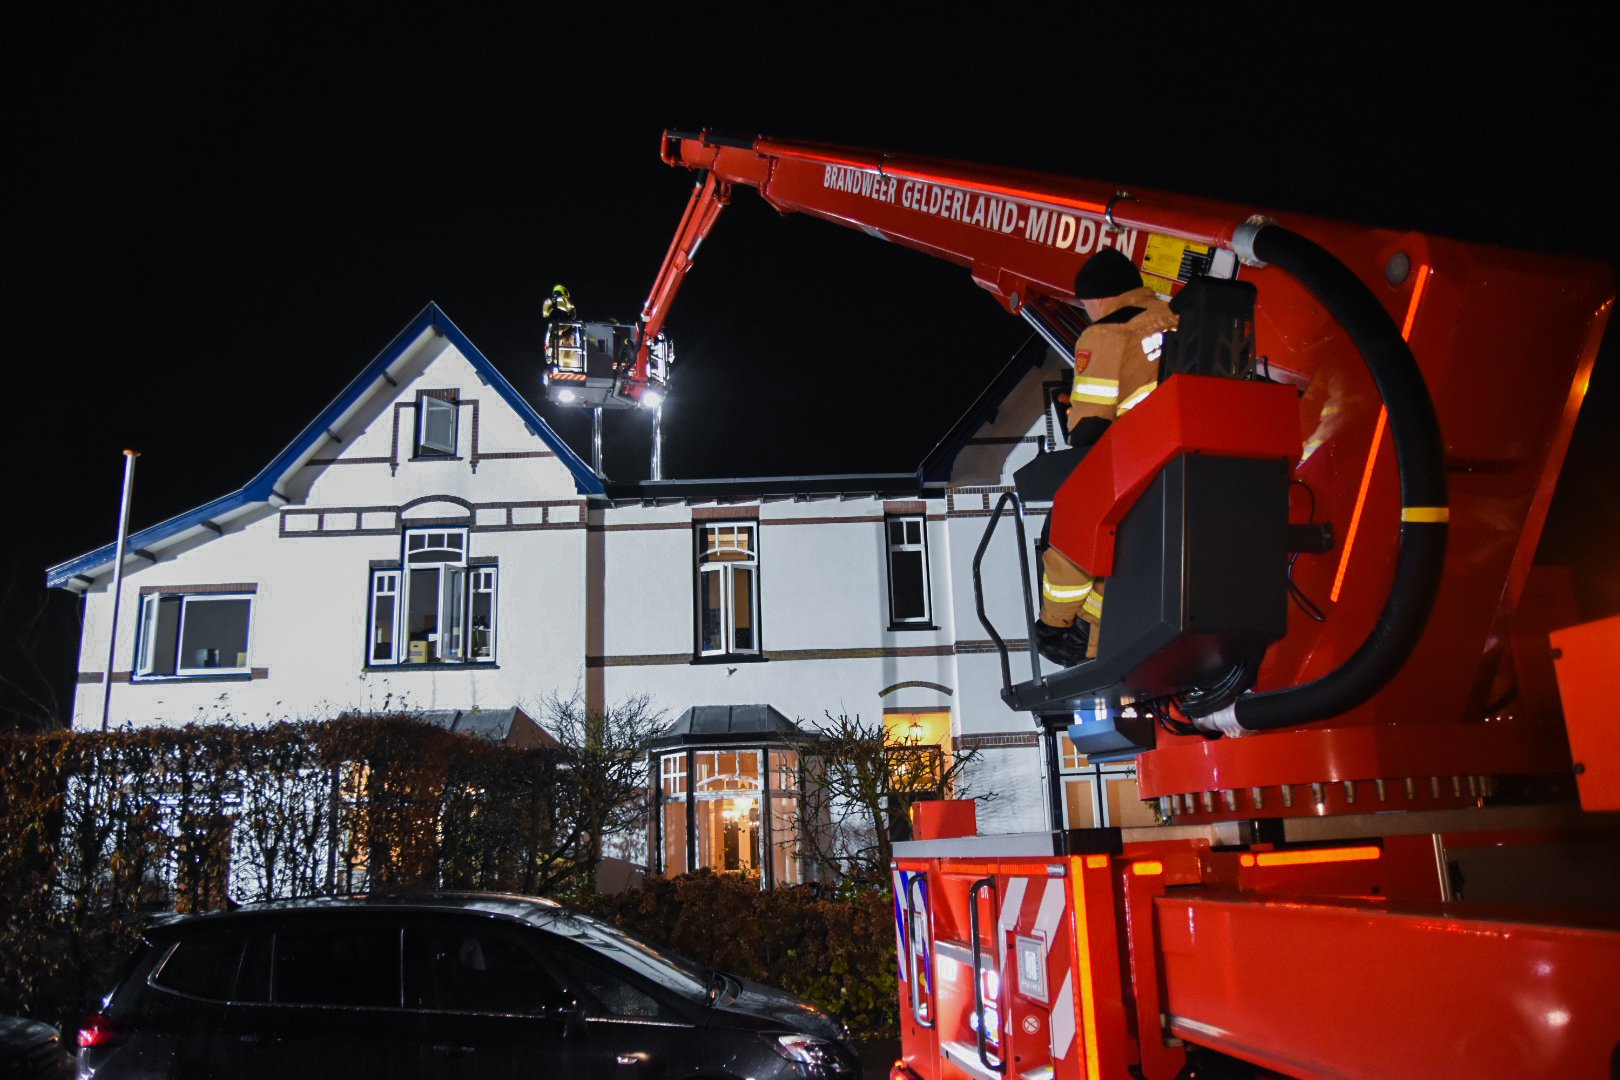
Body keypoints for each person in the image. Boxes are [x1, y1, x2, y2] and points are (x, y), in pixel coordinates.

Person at [1035, 248, 1178, 666]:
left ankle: (1070, 631)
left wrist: (1051, 625)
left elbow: (1088, 431)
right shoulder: (1175, 317)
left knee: (1072, 527)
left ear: (1095, 300)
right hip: (1180, 456)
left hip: (1137, 459)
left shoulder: (1106, 334)